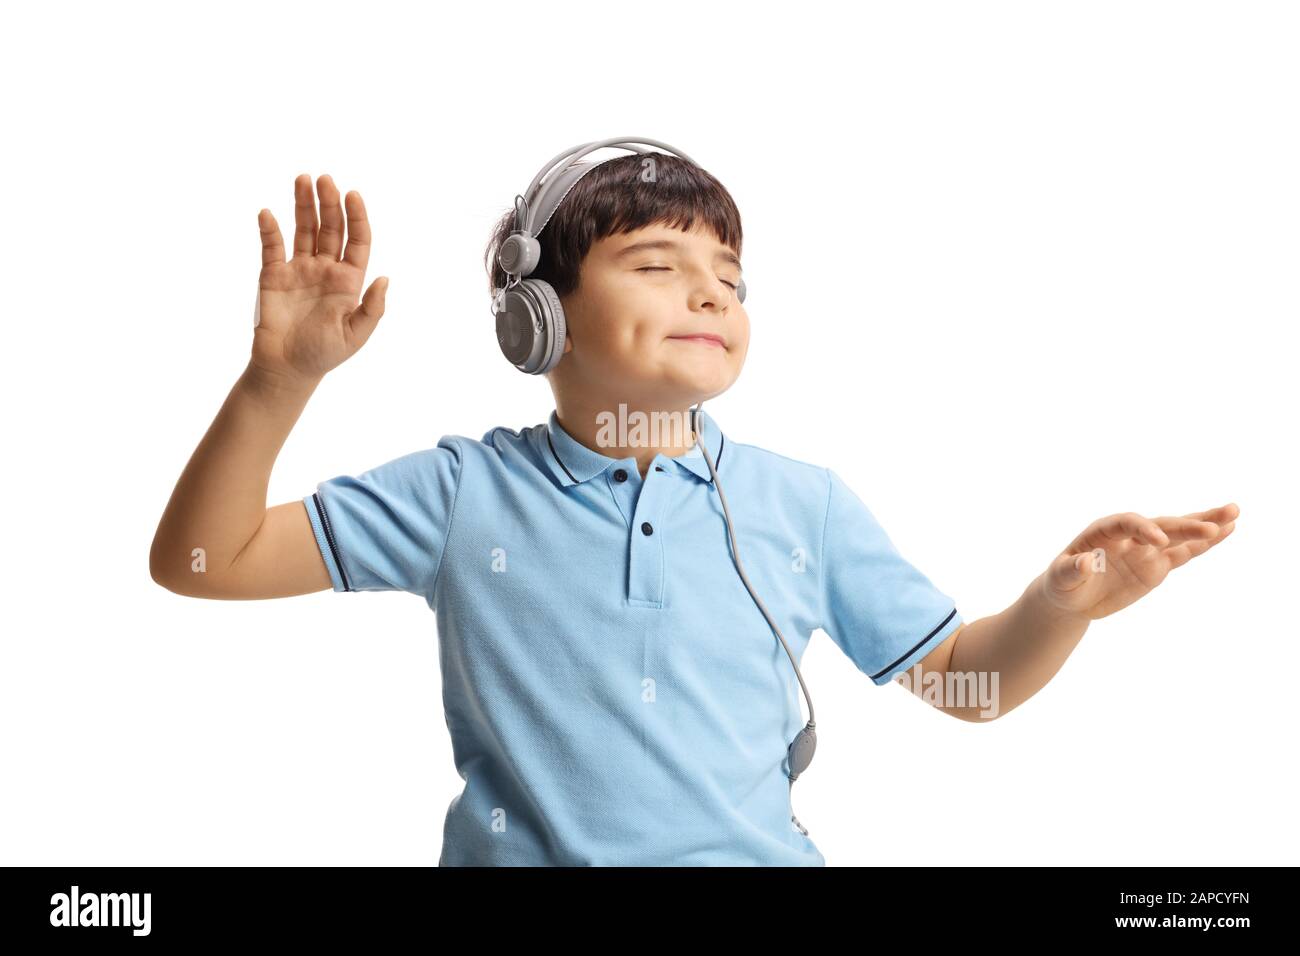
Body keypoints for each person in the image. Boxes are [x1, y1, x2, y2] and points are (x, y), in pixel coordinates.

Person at [149, 148, 1239, 866]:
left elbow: (967, 683)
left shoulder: (797, 503)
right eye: (657, 265)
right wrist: (277, 383)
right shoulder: (459, 492)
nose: (710, 291)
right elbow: (204, 559)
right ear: (535, 319)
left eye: (726, 273)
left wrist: (1063, 605)